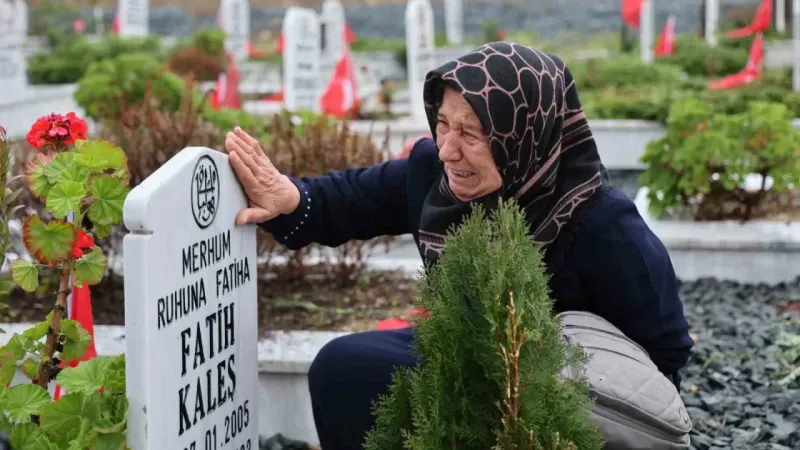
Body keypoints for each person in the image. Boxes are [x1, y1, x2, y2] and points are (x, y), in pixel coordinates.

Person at [224, 42, 695, 450]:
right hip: (467, 350)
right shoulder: (435, 175)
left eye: (472, 132)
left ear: (524, 135)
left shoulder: (603, 223)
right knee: (344, 370)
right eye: (443, 124)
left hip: (567, 390)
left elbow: (665, 353)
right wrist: (291, 200)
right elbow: (352, 198)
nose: (450, 148)